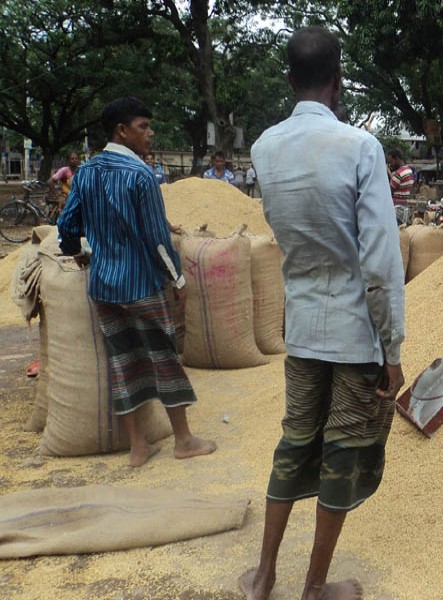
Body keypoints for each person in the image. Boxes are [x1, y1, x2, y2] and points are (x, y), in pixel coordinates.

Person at [240, 27, 406, 600]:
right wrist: (393, 349)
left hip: (303, 328)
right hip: (356, 334)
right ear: (339, 81)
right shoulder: (360, 148)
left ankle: (262, 578)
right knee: (342, 450)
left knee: (294, 441)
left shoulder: (263, 148)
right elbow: (381, 263)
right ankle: (314, 586)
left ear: (289, 79)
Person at [55, 96, 217, 468]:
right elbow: (157, 238)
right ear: (122, 131)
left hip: (103, 286)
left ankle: (138, 448)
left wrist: (76, 248)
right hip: (142, 284)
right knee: (165, 359)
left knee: (122, 362)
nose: (150, 133)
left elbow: (67, 226)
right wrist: (177, 279)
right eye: (144, 126)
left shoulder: (87, 173)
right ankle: (184, 440)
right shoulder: (141, 175)